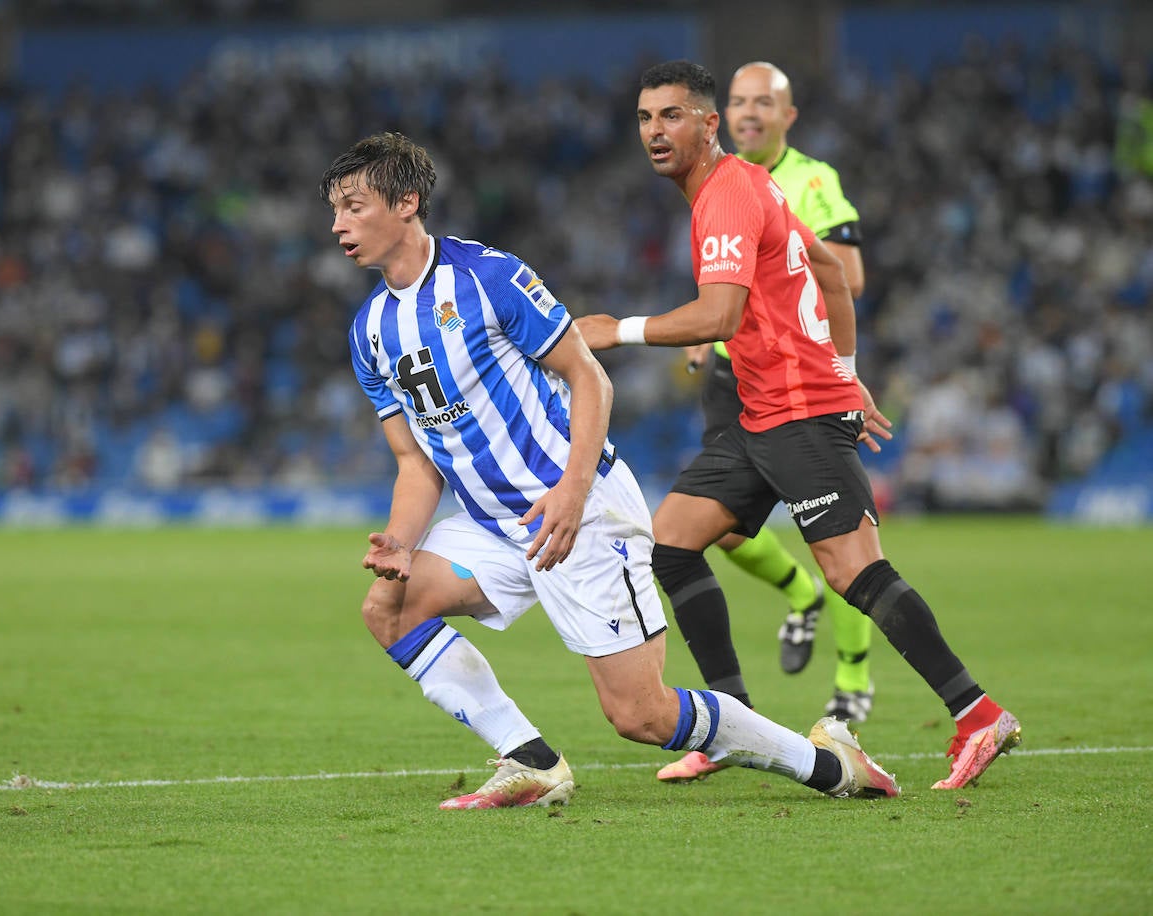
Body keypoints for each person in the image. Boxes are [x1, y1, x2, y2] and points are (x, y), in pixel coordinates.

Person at [323, 131, 899, 812]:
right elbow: (414, 462)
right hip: (497, 526)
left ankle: (827, 764)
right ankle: (530, 760)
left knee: (641, 716)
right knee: (388, 607)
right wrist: (398, 540)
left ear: (407, 202)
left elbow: (590, 380)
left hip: (583, 506)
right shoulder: (369, 332)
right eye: (334, 211)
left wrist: (570, 492)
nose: (338, 226)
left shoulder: (490, 277)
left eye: (353, 207)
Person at [578, 60, 1020, 791]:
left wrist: (613, 329)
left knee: (854, 571)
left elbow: (719, 315)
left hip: (800, 412)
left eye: (673, 116)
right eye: (645, 119)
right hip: (766, 411)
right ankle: (732, 722)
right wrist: (846, 370)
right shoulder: (753, 185)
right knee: (674, 540)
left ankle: (976, 713)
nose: (656, 131)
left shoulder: (725, 196)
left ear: (708, 123)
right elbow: (831, 272)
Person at [658, 61, 876, 784]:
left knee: (841, 538)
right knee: (708, 531)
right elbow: (723, 287)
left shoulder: (810, 180)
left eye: (763, 103)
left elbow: (845, 271)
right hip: (731, 372)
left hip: (797, 375)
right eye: (741, 101)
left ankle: (851, 678)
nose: (750, 113)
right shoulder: (715, 185)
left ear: (787, 115)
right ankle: (794, 601)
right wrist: (704, 327)